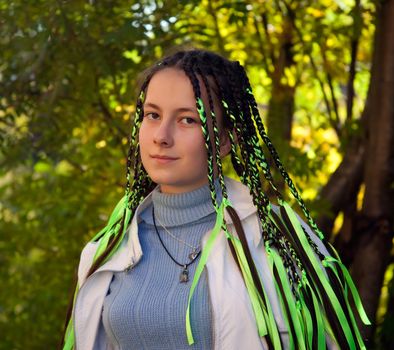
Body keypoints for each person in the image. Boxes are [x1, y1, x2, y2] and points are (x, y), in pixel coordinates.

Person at [61, 49, 370, 350]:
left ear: (224, 139)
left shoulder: (281, 240)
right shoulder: (105, 252)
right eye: (153, 115)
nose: (161, 136)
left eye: (187, 120)